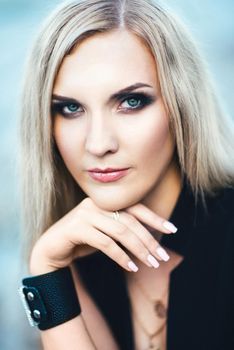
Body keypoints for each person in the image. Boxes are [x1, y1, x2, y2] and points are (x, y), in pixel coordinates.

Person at [18, 0, 234, 349]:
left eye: (131, 102)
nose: (98, 143)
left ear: (182, 104)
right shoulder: (73, 258)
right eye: (71, 108)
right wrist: (47, 270)